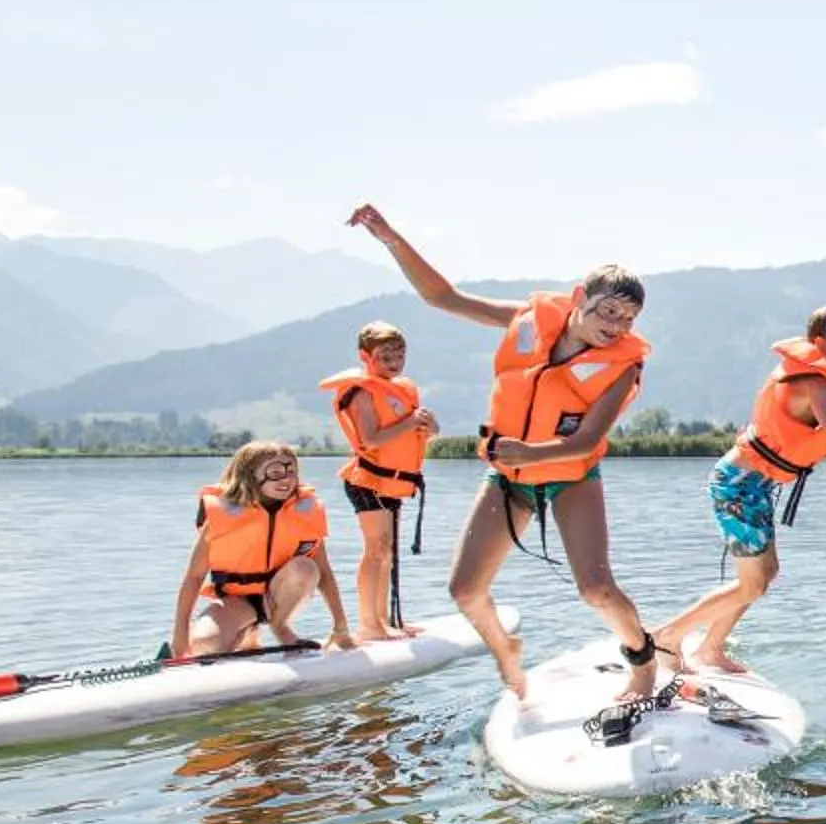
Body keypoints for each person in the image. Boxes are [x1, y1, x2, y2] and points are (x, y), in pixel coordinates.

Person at [346, 203, 660, 704]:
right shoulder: (529, 321)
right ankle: (505, 648)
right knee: (465, 592)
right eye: (607, 310)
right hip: (511, 473)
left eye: (627, 318)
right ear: (580, 298)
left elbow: (586, 441)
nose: (616, 324)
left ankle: (643, 659)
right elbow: (441, 296)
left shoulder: (621, 366)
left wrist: (528, 454)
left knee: (595, 590)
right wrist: (390, 238)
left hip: (570, 475)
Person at [656, 306, 826, 672]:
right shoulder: (815, 382)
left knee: (761, 576)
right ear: (821, 342)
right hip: (740, 485)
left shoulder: (824, 374)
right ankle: (667, 638)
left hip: (753, 483)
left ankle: (710, 648)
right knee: (753, 584)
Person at [168, 440, 352, 663]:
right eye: (275, 472)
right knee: (206, 645)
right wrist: (179, 642)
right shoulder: (223, 515)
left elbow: (324, 572)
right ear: (250, 475)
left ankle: (280, 626)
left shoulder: (304, 513)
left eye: (291, 472)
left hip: (277, 596)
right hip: (236, 600)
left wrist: (340, 628)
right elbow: (193, 578)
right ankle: (246, 633)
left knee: (305, 567)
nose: (287, 479)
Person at [319, 320, 439, 642]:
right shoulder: (361, 392)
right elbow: (370, 439)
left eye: (400, 355)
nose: (394, 362)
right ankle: (369, 625)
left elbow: (419, 432)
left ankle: (384, 621)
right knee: (377, 549)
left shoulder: (402, 390)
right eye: (386, 356)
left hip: (392, 483)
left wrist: (429, 426)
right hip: (367, 480)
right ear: (365, 356)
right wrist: (410, 422)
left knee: (387, 551)